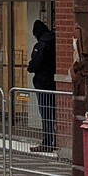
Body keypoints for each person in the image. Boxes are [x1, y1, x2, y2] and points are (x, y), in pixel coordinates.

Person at [28, 18, 57, 151]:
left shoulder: (41, 45)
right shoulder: (55, 42)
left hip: (43, 83)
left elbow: (34, 64)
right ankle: (55, 140)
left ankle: (47, 142)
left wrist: (30, 66)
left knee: (46, 113)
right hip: (53, 83)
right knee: (54, 113)